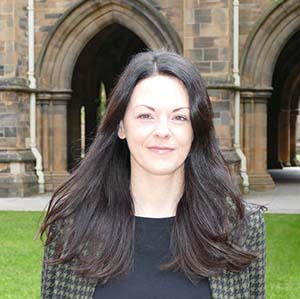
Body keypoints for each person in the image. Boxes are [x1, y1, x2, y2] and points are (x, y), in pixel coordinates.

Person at [40, 50, 266, 299]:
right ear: (121, 125)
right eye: (146, 116)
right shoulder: (72, 226)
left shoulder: (239, 228)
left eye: (179, 117)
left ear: (196, 129)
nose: (162, 130)